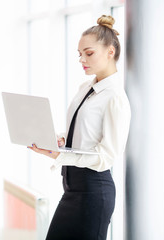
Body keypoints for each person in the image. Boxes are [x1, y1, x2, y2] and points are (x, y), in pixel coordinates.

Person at [28, 15, 131, 240]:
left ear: (110, 52)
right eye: (80, 54)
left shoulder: (115, 98)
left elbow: (107, 156)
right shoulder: (86, 87)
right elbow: (84, 132)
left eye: (89, 53)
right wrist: (61, 141)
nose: (82, 59)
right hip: (72, 190)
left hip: (94, 192)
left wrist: (62, 156)